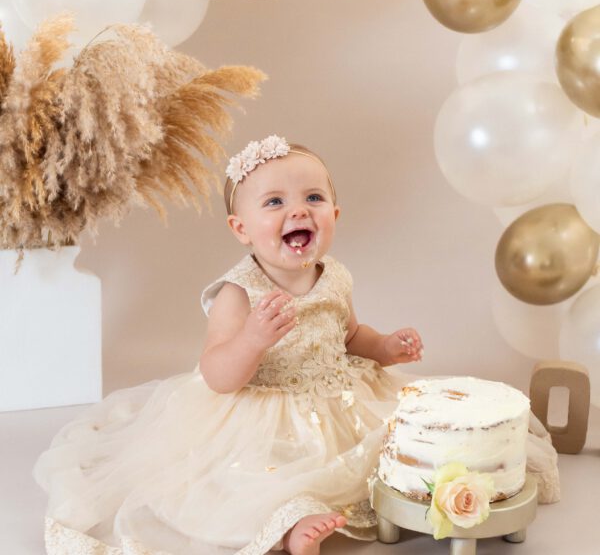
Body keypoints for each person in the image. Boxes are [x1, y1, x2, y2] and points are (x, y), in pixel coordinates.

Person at [32, 135, 558, 555]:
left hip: (342, 401)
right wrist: (254, 340)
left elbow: (351, 336)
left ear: (334, 214)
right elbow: (217, 374)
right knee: (254, 477)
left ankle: (355, 505)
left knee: (397, 456)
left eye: (313, 198)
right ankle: (289, 525)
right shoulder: (238, 294)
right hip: (260, 412)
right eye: (275, 202)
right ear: (242, 229)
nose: (298, 211)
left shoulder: (335, 277)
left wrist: (386, 347)